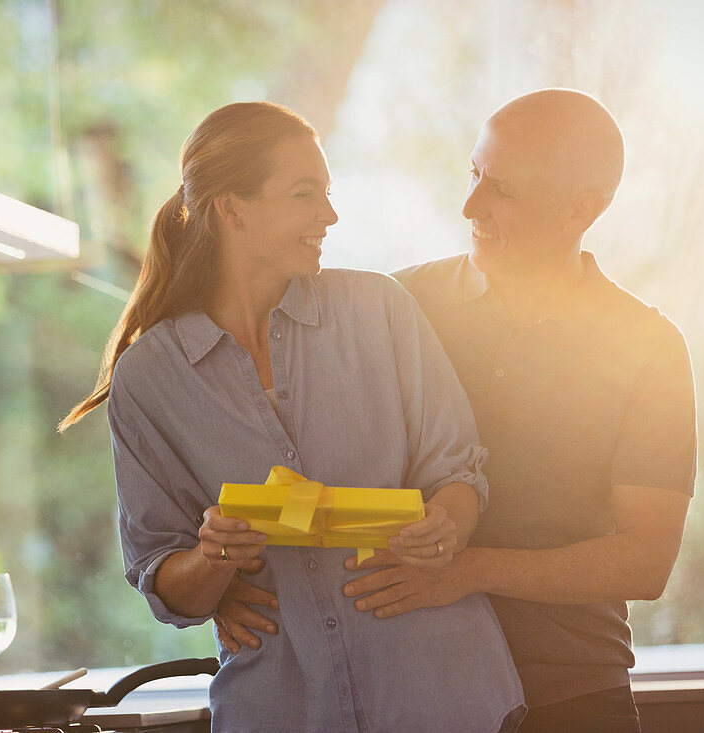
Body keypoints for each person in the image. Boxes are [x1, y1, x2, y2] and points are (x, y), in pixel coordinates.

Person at [213, 89, 697, 732]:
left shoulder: (649, 347)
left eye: (503, 190)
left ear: (582, 210)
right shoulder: (398, 303)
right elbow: (293, 456)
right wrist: (225, 580)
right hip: (412, 688)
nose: (471, 206)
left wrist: (467, 572)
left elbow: (644, 560)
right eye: (474, 174)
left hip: (570, 695)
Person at [59, 101, 525, 732]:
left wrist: (443, 526)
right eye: (306, 195)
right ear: (232, 208)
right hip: (282, 708)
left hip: (441, 693)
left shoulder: (378, 310)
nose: (329, 215)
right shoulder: (150, 378)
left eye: (327, 194)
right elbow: (167, 581)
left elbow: (460, 473)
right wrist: (214, 556)